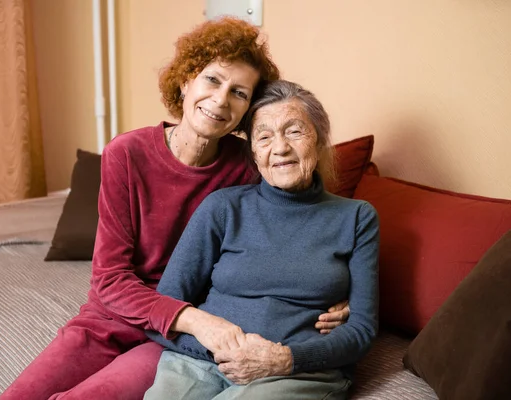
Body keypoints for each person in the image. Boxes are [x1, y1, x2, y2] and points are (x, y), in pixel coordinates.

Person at [0, 19, 349, 400]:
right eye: (212, 80)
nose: (221, 100)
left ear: (247, 111)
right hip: (114, 317)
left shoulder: (250, 165)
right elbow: (109, 279)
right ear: (185, 81)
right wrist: (198, 320)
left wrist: (340, 292)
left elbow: (302, 218)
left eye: (239, 93)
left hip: (178, 336)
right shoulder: (126, 154)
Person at [144, 80, 380, 400]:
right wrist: (220, 350)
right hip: (199, 361)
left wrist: (284, 360)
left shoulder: (356, 217)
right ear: (254, 153)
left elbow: (362, 331)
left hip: (297, 371)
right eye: (264, 137)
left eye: (294, 131)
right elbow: (161, 311)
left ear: (321, 140)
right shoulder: (223, 207)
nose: (279, 147)